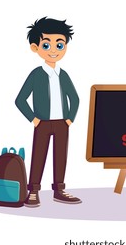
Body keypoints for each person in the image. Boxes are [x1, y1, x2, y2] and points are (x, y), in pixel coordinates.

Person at [15, 17, 81, 207]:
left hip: (62, 123)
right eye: (46, 45)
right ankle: (33, 191)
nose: (53, 50)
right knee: (39, 155)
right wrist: (34, 119)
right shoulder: (36, 74)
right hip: (42, 122)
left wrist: (69, 119)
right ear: (35, 48)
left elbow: (74, 98)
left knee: (61, 156)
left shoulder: (63, 74)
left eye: (59, 45)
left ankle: (59, 190)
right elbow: (20, 99)